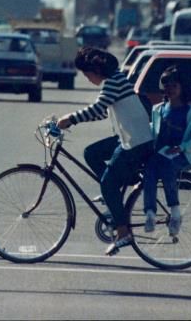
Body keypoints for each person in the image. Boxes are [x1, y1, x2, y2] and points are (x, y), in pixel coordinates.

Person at [56, 46, 154, 256]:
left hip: (136, 141)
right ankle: (113, 195)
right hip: (129, 137)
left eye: (86, 74)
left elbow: (98, 108)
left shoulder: (113, 82)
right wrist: (75, 120)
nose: (87, 78)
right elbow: (101, 113)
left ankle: (122, 231)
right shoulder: (115, 80)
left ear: (95, 70)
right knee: (91, 153)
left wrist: (70, 119)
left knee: (107, 182)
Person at [142, 66, 191, 236]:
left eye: (174, 86)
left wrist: (182, 147)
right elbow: (152, 130)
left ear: (182, 87)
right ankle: (150, 213)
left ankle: (175, 212)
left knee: (168, 167)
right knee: (149, 170)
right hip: (160, 154)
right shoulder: (159, 110)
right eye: (166, 86)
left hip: (181, 155)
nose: (169, 89)